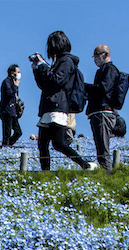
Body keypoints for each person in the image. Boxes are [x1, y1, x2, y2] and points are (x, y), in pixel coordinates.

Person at [31, 32, 94, 171]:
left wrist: (43, 65)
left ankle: (86, 165)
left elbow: (57, 80)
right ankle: (45, 174)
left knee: (58, 144)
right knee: (42, 144)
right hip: (49, 107)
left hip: (57, 107)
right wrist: (37, 69)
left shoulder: (66, 61)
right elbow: (44, 84)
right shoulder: (57, 62)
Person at [0, 65, 25, 146]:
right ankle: (6, 146)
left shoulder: (14, 82)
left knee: (18, 132)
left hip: (13, 112)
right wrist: (15, 86)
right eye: (18, 72)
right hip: (6, 111)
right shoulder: (7, 82)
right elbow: (9, 94)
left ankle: (8, 145)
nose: (19, 74)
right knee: (7, 133)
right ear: (12, 73)